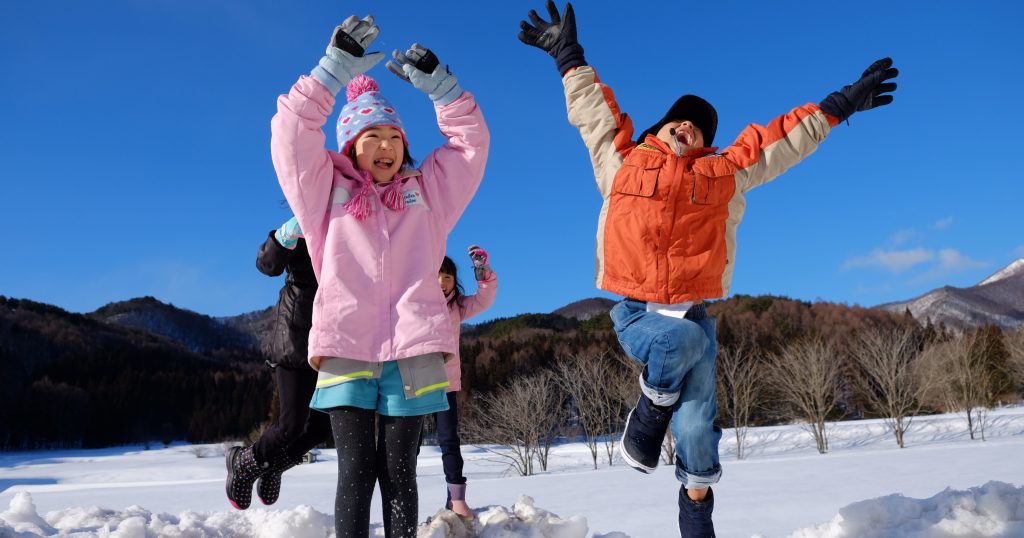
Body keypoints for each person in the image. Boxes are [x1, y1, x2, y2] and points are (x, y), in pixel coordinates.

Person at [517, 2, 897, 535]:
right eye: (679, 120)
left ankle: (697, 524)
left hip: (693, 312)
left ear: (707, 141)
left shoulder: (725, 173)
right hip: (637, 314)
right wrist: (568, 54)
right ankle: (645, 424)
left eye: (698, 128)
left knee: (697, 432)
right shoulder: (622, 159)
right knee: (680, 345)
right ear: (662, 125)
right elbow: (592, 111)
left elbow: (778, 142)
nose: (687, 128)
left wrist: (837, 106)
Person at [264, 14, 488, 538]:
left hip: (414, 350)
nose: (386, 145)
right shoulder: (324, 195)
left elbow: (470, 150)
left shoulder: (427, 194)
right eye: (372, 136)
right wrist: (332, 70)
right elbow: (291, 135)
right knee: (355, 473)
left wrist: (445, 91)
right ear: (349, 147)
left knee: (400, 474)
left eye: (393, 135)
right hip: (346, 345)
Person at [225, 217, 331, 510]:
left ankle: (272, 466)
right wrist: (287, 233)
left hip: (333, 345)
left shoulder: (350, 228)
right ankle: (245, 462)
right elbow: (267, 265)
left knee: (320, 429)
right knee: (291, 425)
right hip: (296, 340)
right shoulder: (307, 222)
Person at [433, 246, 498, 519]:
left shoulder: (457, 307)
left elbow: (484, 300)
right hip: (411, 383)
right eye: (437, 276)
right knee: (407, 445)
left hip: (445, 383)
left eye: (448, 277)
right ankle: (402, 495)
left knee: (449, 440)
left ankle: (456, 499)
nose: (442, 281)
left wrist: (481, 270)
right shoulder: (413, 301)